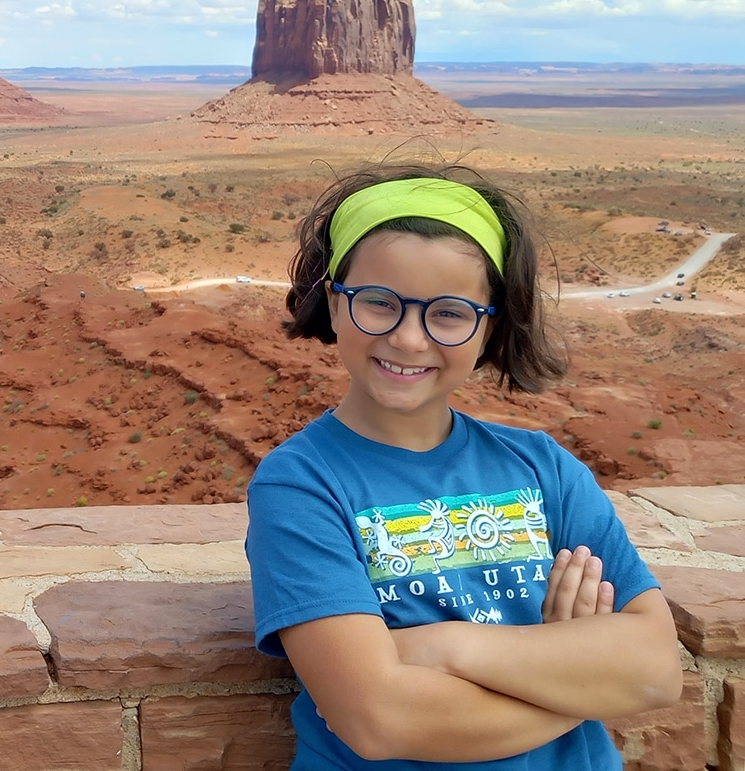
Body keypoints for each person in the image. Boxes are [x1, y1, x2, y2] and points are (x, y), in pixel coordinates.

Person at [246, 163, 681, 769]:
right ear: (333, 303)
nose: (408, 339)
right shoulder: (301, 484)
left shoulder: (545, 469)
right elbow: (379, 720)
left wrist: (445, 646)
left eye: (448, 313)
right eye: (378, 303)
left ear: (489, 327)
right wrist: (573, 671)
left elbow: (657, 672)